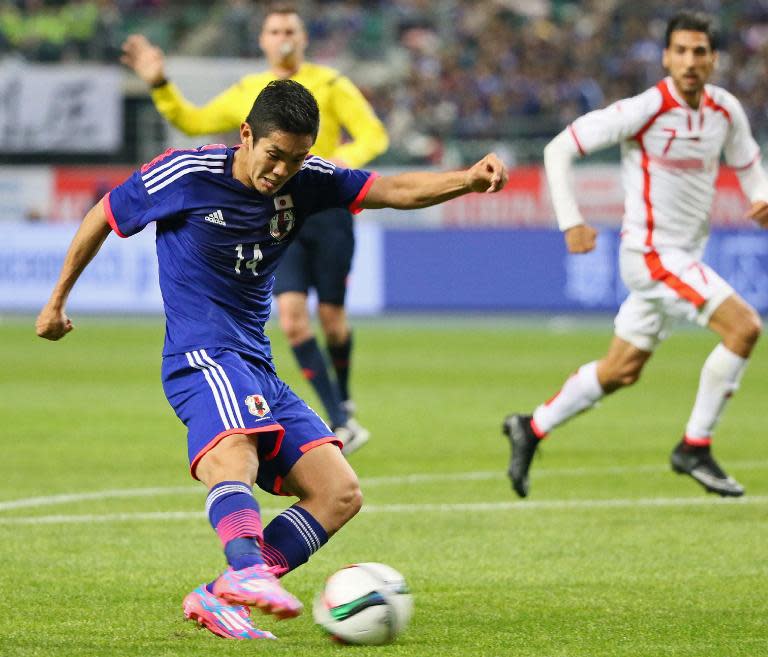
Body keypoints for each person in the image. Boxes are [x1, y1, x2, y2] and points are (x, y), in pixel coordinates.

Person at [36, 80, 508, 640]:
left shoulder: (309, 180)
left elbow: (393, 189)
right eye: (274, 155)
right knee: (233, 449)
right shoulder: (185, 173)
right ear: (246, 136)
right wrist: (57, 301)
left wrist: (467, 181)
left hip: (256, 364)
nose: (282, 170)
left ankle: (220, 593)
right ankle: (248, 570)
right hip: (201, 354)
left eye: (296, 158)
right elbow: (103, 215)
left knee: (339, 493)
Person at [502, 10, 768, 499]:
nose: (690, 61)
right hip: (652, 254)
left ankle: (531, 426)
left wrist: (761, 196)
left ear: (714, 59)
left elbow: (750, 163)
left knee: (621, 369)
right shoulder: (644, 109)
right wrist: (572, 221)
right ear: (666, 57)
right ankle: (695, 445)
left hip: (683, 254)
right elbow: (559, 148)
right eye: (681, 51)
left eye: (700, 52)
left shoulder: (724, 111)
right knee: (745, 327)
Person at [120, 2, 389, 455]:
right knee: (293, 319)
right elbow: (192, 121)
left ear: (304, 39)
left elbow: (373, 135)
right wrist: (160, 84)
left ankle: (342, 396)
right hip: (273, 221)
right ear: (263, 41)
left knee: (333, 321)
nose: (283, 36)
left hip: (326, 213)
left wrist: (344, 164)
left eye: (290, 29)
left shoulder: (330, 84)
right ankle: (340, 419)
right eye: (274, 30)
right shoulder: (250, 92)